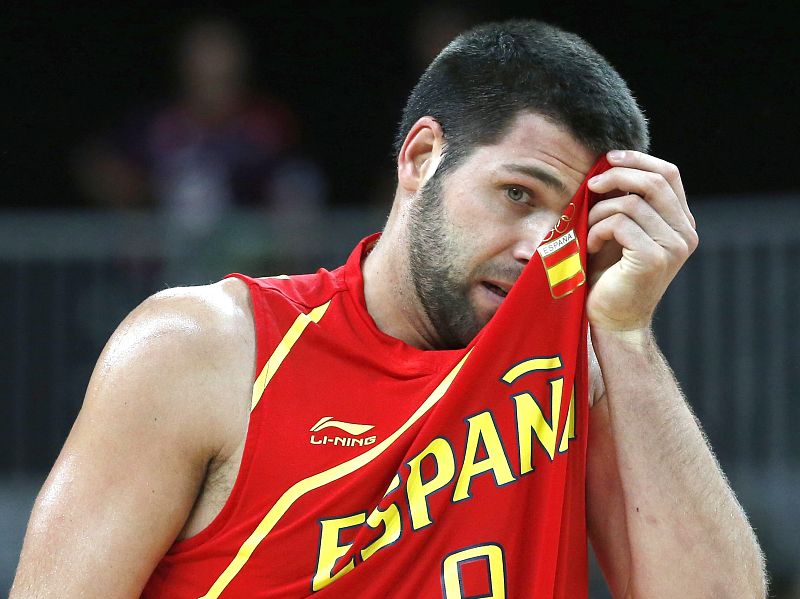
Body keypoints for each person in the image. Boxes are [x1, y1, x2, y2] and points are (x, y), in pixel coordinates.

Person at [11, 19, 765, 598]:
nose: (541, 246)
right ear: (420, 158)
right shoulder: (201, 349)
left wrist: (626, 335)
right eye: (518, 194)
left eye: (568, 223)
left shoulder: (582, 379)